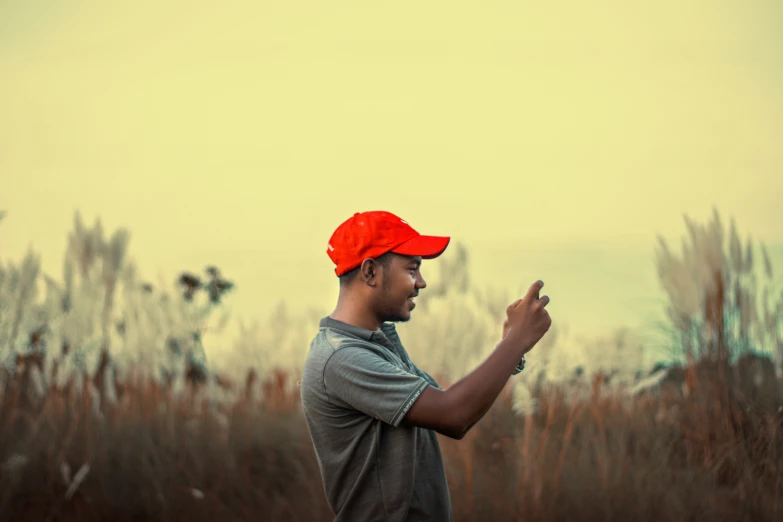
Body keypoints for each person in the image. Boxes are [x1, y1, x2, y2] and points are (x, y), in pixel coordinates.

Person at [300, 210, 552, 522]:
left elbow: (447, 400)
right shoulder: (341, 358)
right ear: (370, 273)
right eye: (412, 269)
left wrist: (510, 349)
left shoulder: (379, 343)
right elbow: (454, 415)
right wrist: (515, 343)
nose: (421, 282)